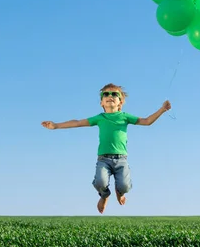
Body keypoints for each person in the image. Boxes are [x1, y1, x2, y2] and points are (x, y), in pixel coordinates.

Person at [41, 83, 171, 214]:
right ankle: (104, 195)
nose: (110, 96)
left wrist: (162, 110)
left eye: (115, 94)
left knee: (124, 186)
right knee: (100, 182)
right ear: (101, 103)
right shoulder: (100, 118)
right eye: (106, 94)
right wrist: (56, 125)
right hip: (103, 159)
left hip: (121, 160)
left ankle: (120, 192)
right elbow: (78, 122)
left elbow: (147, 121)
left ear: (120, 102)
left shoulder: (125, 117)